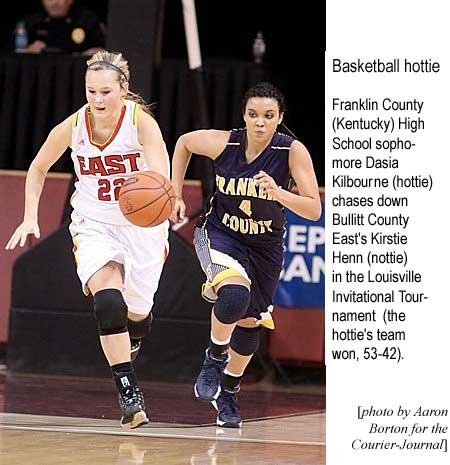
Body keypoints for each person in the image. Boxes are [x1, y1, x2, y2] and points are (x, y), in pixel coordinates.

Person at [5, 50, 170, 429]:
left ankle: (135, 335)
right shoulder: (74, 125)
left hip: (142, 227)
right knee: (108, 303)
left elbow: (161, 174)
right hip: (94, 223)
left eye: (106, 92)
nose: (97, 100)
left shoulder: (140, 124)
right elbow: (38, 167)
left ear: (123, 89)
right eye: (91, 91)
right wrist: (31, 215)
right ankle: (128, 392)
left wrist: (165, 197)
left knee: (138, 314)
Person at [170, 82, 322, 428]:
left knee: (251, 322)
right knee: (234, 295)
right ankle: (214, 356)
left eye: (268, 116)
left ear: (279, 118)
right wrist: (174, 193)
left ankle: (229, 390)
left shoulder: (291, 151)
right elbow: (183, 144)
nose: (260, 122)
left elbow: (314, 209)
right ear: (244, 115)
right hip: (219, 234)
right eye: (253, 114)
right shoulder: (227, 142)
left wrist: (279, 193)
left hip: (265, 247)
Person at [14, 0, 106, 55]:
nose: (54, 3)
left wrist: (91, 54)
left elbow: (105, 49)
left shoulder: (87, 20)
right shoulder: (31, 22)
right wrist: (28, 52)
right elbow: (14, 52)